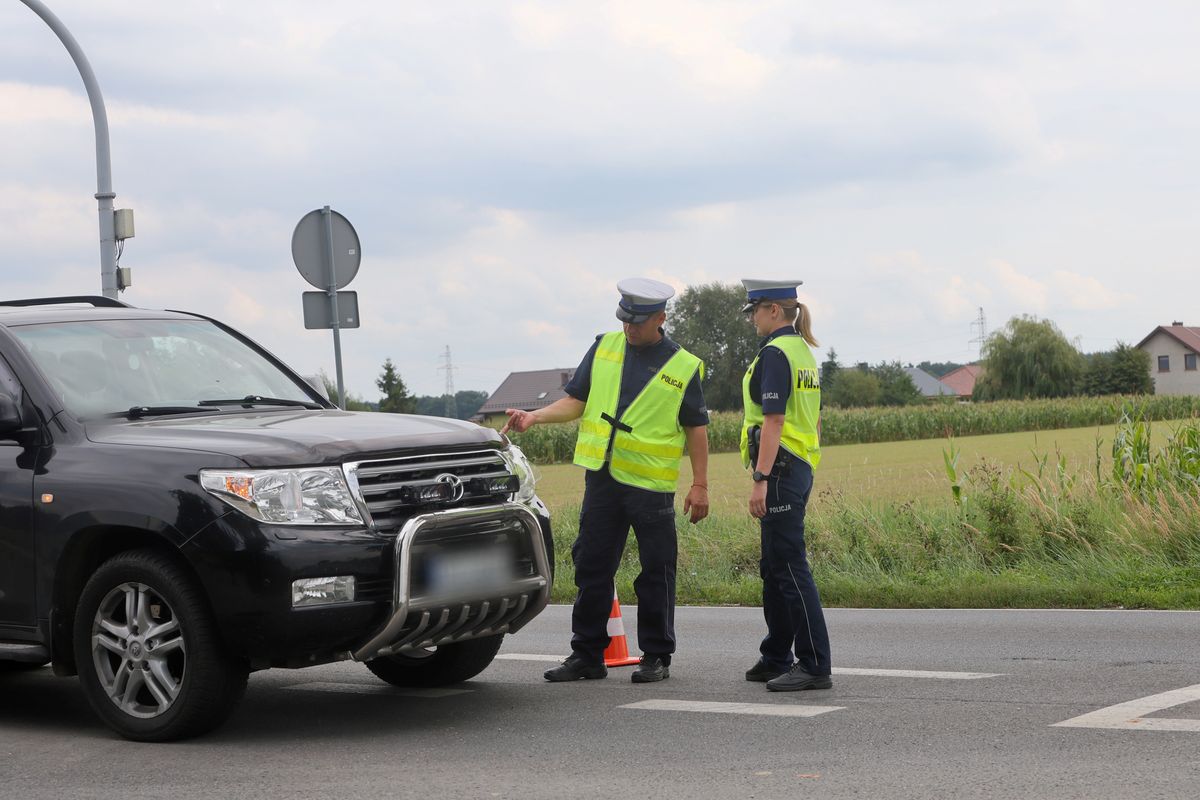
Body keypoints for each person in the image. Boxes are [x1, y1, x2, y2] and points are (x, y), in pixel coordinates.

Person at [501, 278, 710, 684]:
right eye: (625, 320)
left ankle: (656, 656)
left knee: (656, 570)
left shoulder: (683, 366)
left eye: (637, 322)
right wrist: (534, 417)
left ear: (661, 318)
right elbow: (576, 401)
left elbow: (696, 429)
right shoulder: (605, 346)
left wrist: (700, 484)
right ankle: (587, 655)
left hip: (650, 486)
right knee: (592, 564)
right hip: (603, 478)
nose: (629, 328)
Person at [738, 278, 832, 692]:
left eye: (755, 310)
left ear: (773, 311)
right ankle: (777, 653)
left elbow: (774, 420)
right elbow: (812, 417)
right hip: (799, 465)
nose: (752, 318)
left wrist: (761, 478)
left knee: (790, 567)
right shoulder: (804, 352)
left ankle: (814, 664)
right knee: (774, 566)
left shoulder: (776, 353)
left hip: (780, 469)